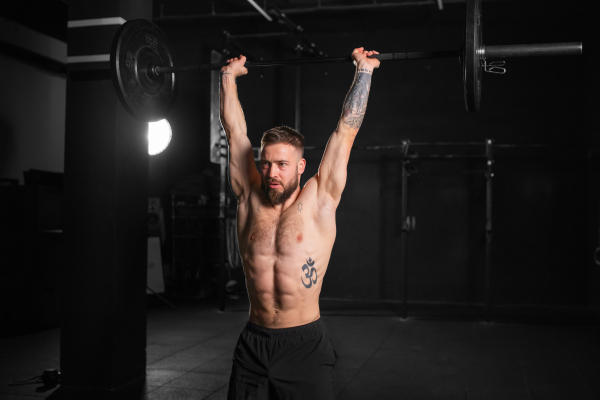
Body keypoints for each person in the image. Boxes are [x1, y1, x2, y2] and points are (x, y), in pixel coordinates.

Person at [220, 47, 380, 400]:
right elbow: (235, 133)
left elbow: (345, 132)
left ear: (301, 166)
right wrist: (228, 78)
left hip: (304, 344)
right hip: (253, 343)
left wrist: (364, 71)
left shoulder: (320, 200)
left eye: (281, 164)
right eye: (266, 163)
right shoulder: (248, 196)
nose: (271, 172)